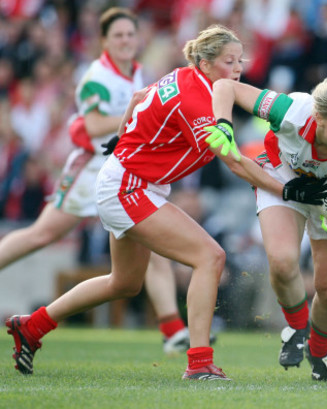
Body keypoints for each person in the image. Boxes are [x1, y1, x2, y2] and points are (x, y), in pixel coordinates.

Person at [5, 24, 327, 381]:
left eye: (240, 61)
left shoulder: (186, 77)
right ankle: (200, 361)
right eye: (228, 61)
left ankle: (31, 327)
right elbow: (234, 161)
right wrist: (288, 190)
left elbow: (139, 96)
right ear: (205, 64)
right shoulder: (199, 102)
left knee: (124, 282)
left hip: (129, 180)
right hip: (129, 186)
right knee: (210, 257)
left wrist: (124, 135)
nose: (238, 69)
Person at [0, 7, 198, 357]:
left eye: (129, 34)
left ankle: (173, 330)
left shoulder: (141, 74)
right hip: (92, 168)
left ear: (138, 39)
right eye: (117, 35)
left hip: (125, 172)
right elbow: (89, 128)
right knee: (42, 234)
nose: (125, 41)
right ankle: (173, 330)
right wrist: (138, 115)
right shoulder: (96, 75)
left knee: (152, 249)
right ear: (104, 41)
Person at [209, 76, 327, 381]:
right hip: (282, 177)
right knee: (282, 262)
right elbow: (224, 87)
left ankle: (319, 353)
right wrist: (223, 124)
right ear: (318, 117)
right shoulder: (291, 110)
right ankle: (296, 330)